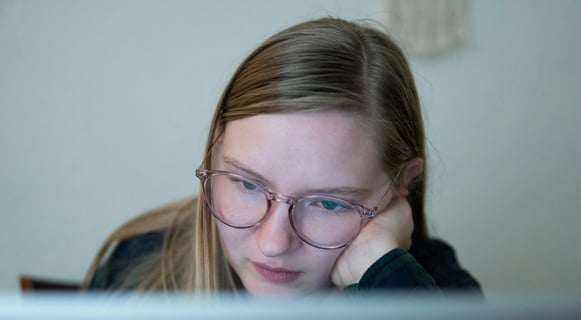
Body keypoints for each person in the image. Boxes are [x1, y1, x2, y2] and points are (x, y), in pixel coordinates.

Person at [83, 17, 481, 296]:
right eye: (248, 184)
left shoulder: (427, 293)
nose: (274, 243)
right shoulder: (139, 270)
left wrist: (380, 268)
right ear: (215, 151)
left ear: (402, 185)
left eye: (328, 203)